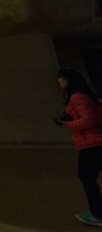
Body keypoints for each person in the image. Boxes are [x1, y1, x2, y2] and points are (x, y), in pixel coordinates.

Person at [55, 69, 102, 227]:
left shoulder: (77, 97)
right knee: (89, 177)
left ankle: (97, 214)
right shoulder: (87, 95)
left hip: (92, 144)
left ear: (68, 80)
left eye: (60, 79)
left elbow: (89, 121)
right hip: (95, 142)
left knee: (87, 177)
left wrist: (67, 124)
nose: (59, 82)